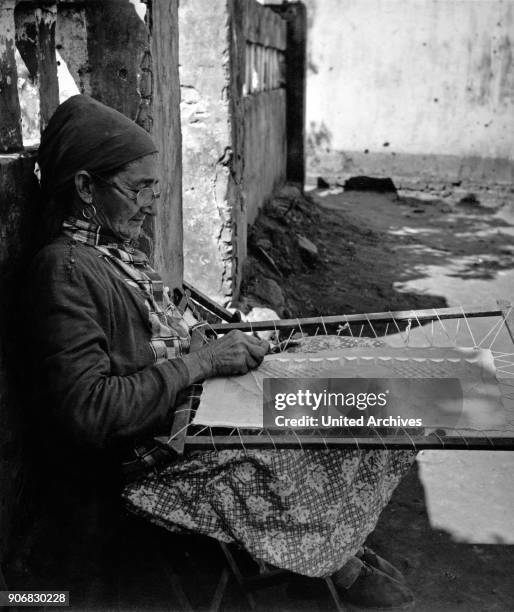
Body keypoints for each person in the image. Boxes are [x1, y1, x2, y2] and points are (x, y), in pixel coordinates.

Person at [30, 94, 416, 610]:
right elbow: (90, 411)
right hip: (154, 454)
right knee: (332, 431)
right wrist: (202, 362)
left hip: (187, 411)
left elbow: (145, 344)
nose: (151, 204)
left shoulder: (110, 252)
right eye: (138, 189)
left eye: (155, 188)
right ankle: (332, 560)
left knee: (339, 372)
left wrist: (198, 344)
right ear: (84, 187)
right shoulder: (67, 270)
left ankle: (335, 547)